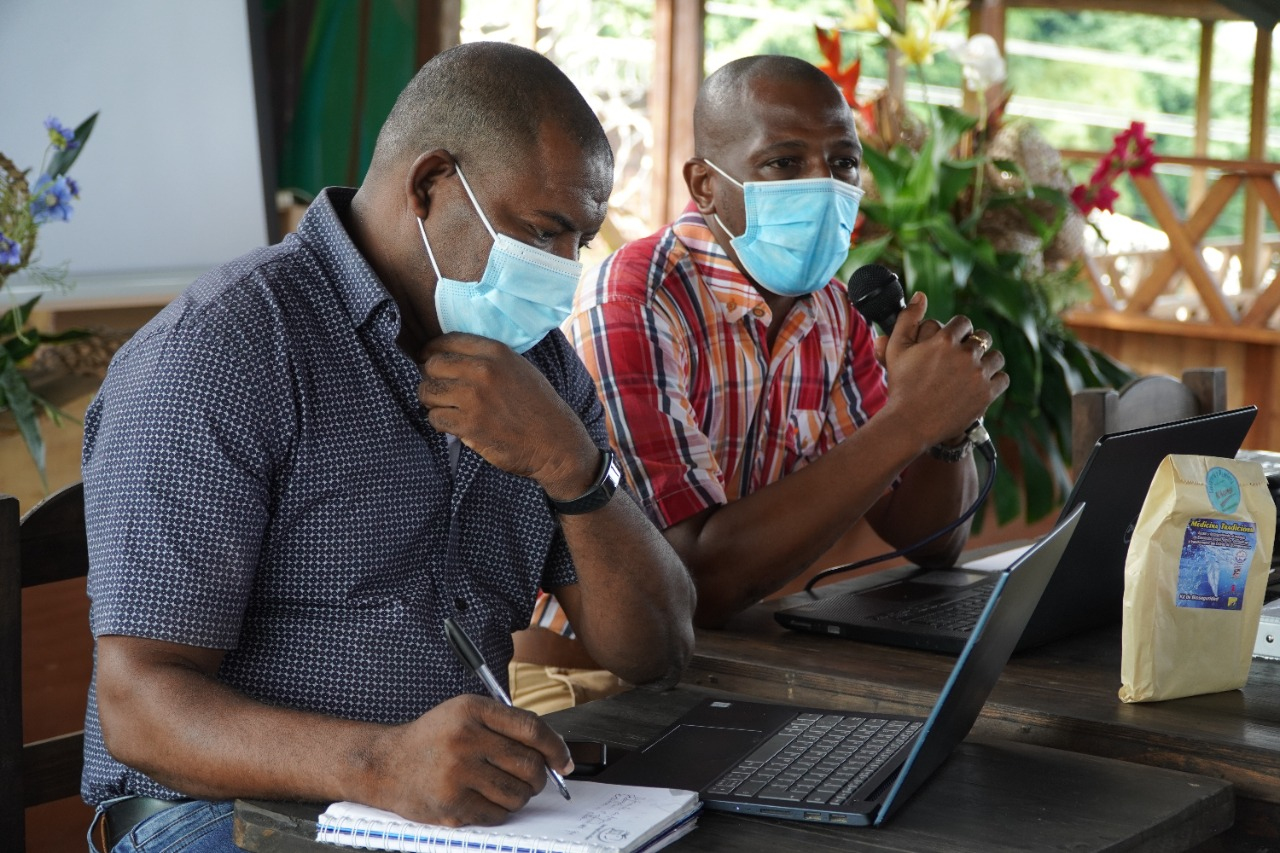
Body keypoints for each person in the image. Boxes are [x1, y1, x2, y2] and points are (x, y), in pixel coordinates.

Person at [80, 41, 695, 853]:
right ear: (431, 183)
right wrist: (380, 765)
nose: (561, 272)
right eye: (542, 232)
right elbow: (139, 708)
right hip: (218, 818)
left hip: (453, 821)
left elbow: (656, 648)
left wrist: (571, 466)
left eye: (579, 242)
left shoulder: (540, 367)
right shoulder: (223, 349)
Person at [510, 54, 1006, 710]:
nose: (823, 184)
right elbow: (693, 579)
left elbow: (932, 539)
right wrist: (908, 420)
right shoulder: (635, 301)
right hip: (584, 689)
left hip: (728, 669)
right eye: (783, 162)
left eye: (843, 163)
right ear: (705, 184)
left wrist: (943, 434)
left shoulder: (834, 312)